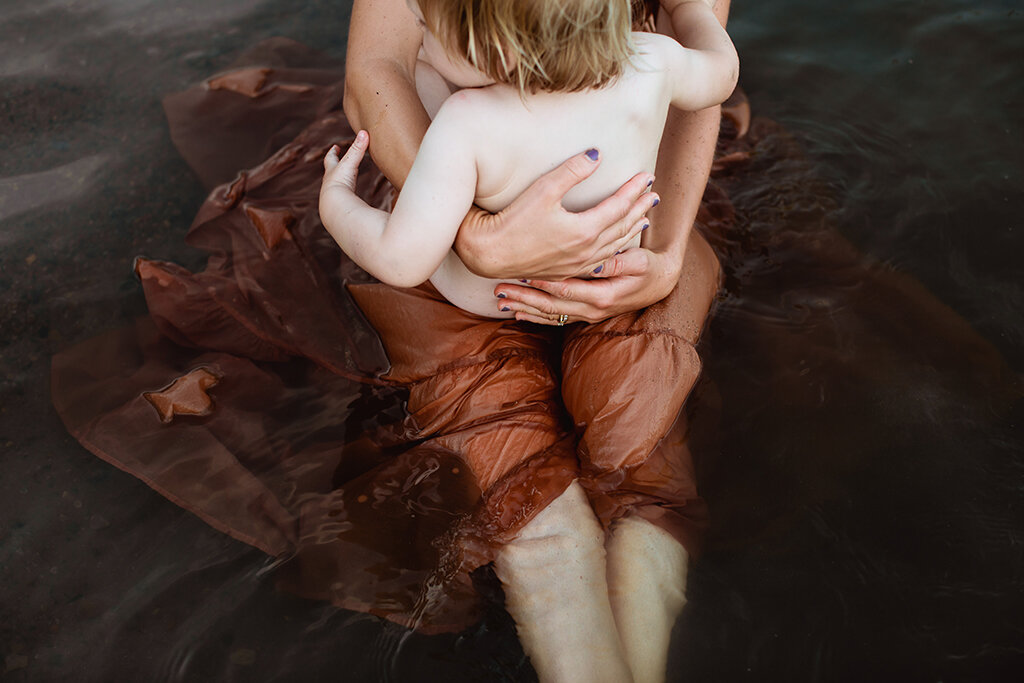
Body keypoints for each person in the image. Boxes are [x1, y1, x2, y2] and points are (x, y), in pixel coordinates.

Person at [326, 1, 736, 681]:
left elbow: (398, 257)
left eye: (433, 23)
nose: (421, 23)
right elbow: (716, 68)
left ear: (497, 49)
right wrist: (477, 235)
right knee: (626, 455)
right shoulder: (654, 60)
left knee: (589, 452)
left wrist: (665, 259)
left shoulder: (464, 122)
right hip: (605, 212)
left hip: (488, 228)